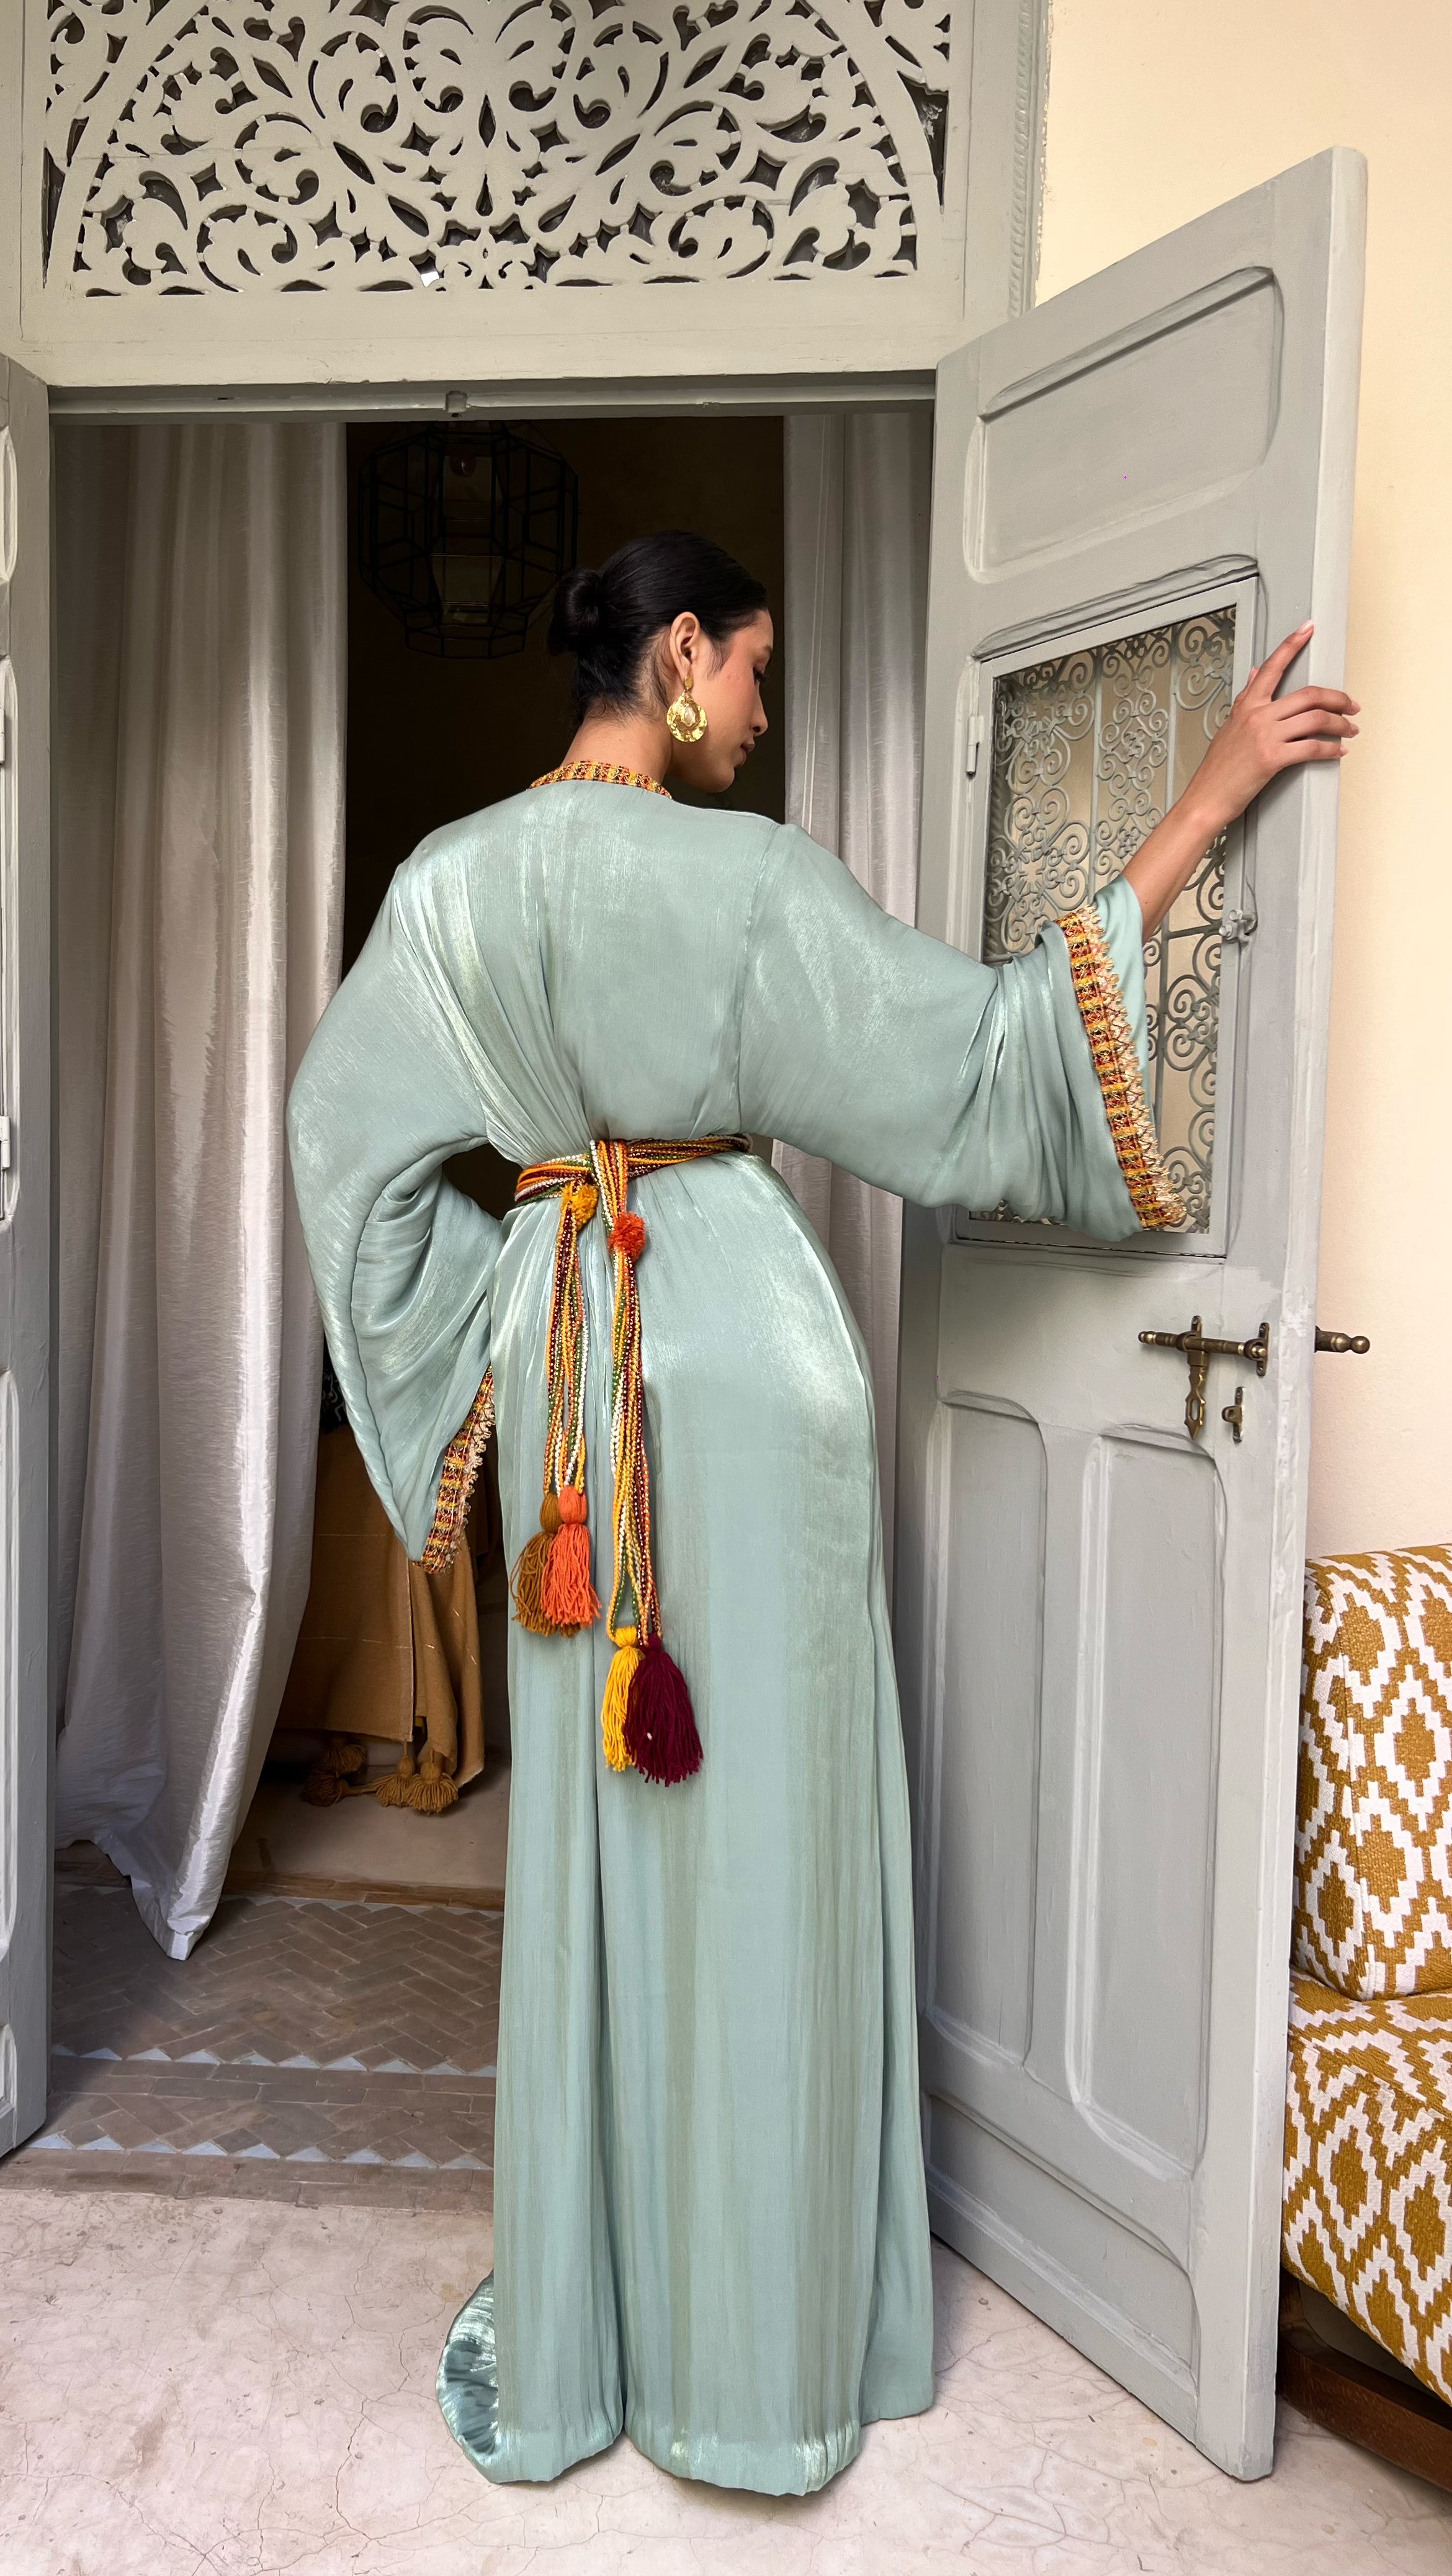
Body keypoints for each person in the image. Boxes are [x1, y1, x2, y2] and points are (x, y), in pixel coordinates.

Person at [284, 530, 1356, 2495]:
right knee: (766, 1840)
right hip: (750, 1364)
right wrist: (1204, 801)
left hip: (573, 1410)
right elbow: (980, 1064)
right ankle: (765, 2353)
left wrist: (489, 1323)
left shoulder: (444, 888)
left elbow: (340, 1149)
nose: (761, 715)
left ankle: (594, 2332)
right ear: (679, 658)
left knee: (601, 1843)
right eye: (755, 674)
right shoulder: (753, 875)